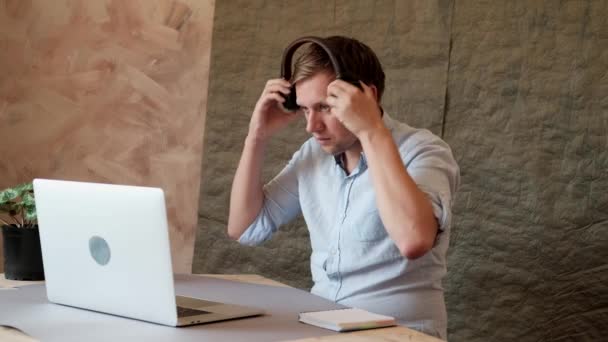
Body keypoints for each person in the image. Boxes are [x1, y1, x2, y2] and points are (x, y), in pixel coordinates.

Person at [226, 35, 459, 339]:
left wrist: (371, 129)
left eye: (325, 107)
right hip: (322, 328)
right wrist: (256, 137)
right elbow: (245, 227)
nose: (312, 126)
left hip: (399, 332)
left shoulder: (424, 151)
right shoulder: (313, 154)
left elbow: (413, 240)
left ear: (367, 96)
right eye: (305, 109)